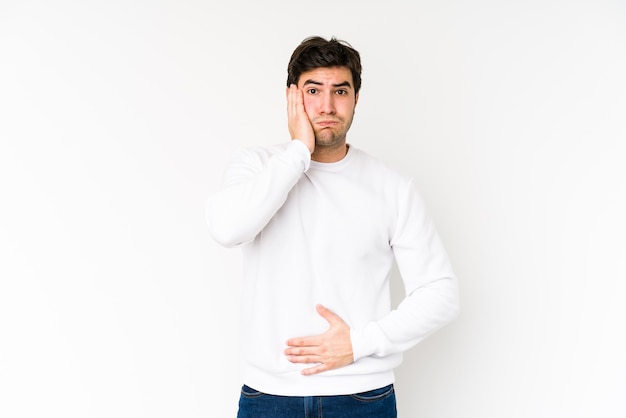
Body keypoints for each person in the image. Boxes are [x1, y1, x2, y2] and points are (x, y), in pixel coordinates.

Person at [206, 35, 460, 418]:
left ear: (356, 98)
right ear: (292, 96)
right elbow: (227, 229)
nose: (326, 106)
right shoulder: (259, 167)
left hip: (362, 397)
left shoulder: (391, 187)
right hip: (268, 398)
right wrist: (298, 153)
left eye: (340, 90)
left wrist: (360, 343)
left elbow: (441, 293)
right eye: (313, 90)